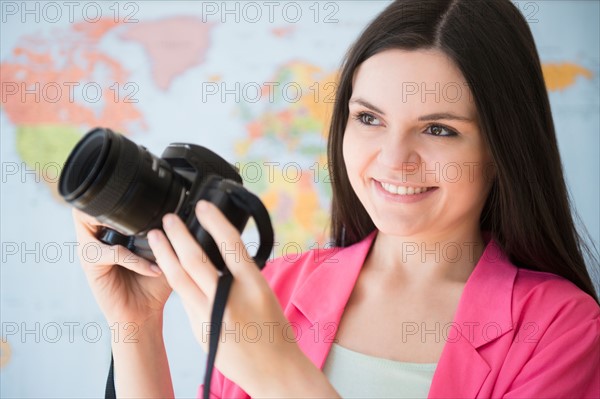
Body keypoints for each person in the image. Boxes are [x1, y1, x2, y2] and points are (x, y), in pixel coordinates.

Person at [71, 0, 600, 397]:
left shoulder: (563, 330)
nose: (394, 160)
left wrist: (281, 372)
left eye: (438, 129)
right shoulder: (274, 287)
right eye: (369, 119)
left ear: (501, 147)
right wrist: (135, 328)